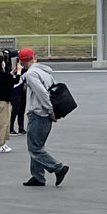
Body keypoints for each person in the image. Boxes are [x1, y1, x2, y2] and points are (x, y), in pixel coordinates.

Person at [18, 46, 68, 186]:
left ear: (21, 62)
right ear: (34, 57)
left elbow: (42, 94)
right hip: (46, 112)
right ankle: (38, 176)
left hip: (39, 113)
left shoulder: (31, 75)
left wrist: (50, 110)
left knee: (34, 148)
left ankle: (57, 167)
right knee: (38, 145)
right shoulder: (45, 72)